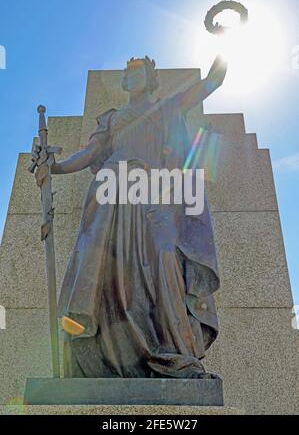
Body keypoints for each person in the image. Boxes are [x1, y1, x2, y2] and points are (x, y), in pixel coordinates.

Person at [34, 55, 227, 378]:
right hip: (111, 193)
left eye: (139, 71)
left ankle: (173, 349)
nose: (131, 76)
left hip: (153, 192)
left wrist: (227, 40)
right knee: (105, 268)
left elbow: (212, 82)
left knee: (165, 261)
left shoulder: (167, 107)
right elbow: (90, 154)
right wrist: (53, 167)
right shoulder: (110, 119)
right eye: (128, 72)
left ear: (151, 78)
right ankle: (106, 356)